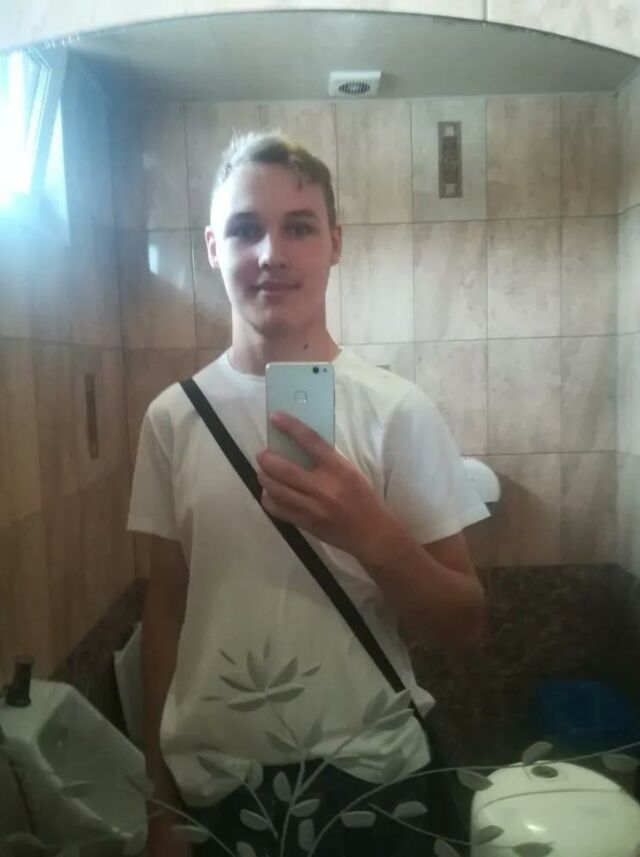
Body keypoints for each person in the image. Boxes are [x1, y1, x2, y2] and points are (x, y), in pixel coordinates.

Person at [127, 132, 489, 857]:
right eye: (245, 229)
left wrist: (369, 533)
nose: (272, 253)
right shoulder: (171, 418)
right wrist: (159, 807)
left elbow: (465, 626)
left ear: (335, 243)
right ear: (211, 247)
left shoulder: (396, 411)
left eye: (298, 227)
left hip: (374, 778)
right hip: (215, 789)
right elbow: (165, 613)